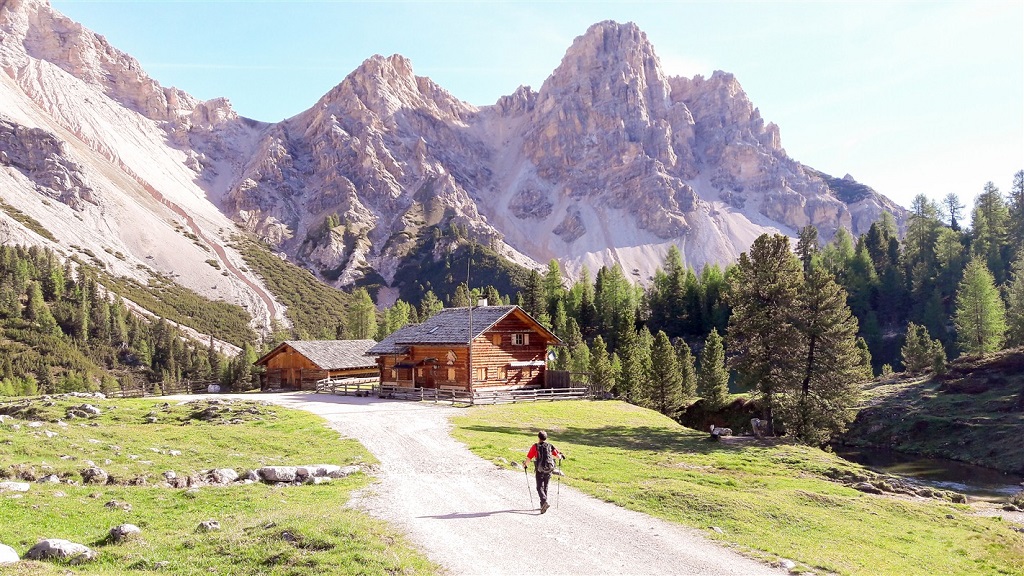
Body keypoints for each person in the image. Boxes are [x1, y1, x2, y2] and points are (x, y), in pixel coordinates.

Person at [523, 430, 564, 513]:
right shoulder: (550, 446)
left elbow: (529, 458)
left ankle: (544, 502)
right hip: (549, 469)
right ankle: (543, 505)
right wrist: (561, 456)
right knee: (545, 487)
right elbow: (558, 456)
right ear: (546, 438)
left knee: (539, 487)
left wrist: (525, 465)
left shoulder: (535, 446)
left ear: (538, 437)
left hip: (539, 469)